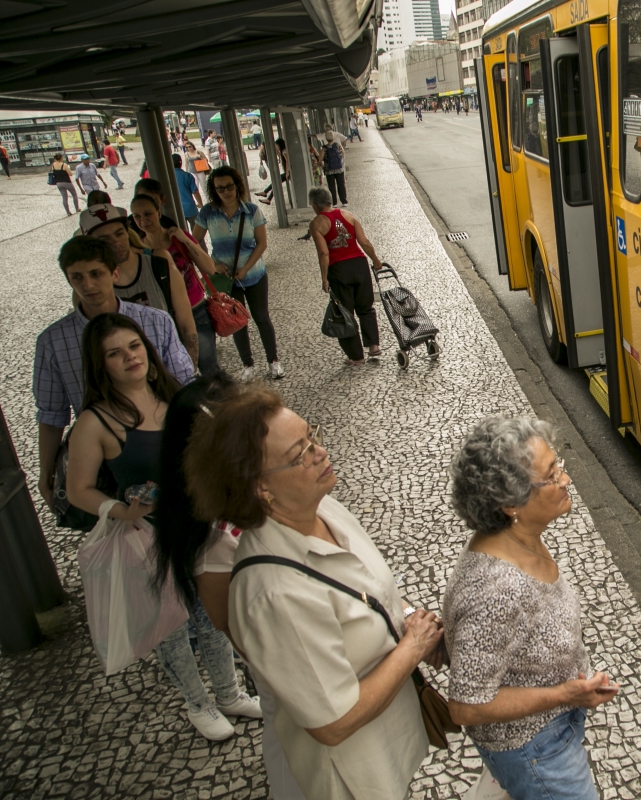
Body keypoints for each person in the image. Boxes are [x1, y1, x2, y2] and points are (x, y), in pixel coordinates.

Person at [184, 384, 443, 800]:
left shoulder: (320, 508)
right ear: (259, 488)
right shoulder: (274, 595)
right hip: (354, 774)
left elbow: (365, 588)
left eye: (312, 436)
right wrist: (412, 647)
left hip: (389, 739)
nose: (320, 452)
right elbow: (333, 722)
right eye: (299, 454)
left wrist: (410, 621)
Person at [65, 313, 259, 740]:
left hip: (198, 527)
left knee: (210, 614)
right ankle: (198, 704)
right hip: (147, 538)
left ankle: (229, 693)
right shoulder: (96, 422)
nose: (129, 357)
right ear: (100, 365)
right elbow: (78, 489)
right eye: (114, 353)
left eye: (134, 346)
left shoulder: (173, 397)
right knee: (170, 629)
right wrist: (121, 510)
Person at [443, 416, 617, 800]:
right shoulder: (495, 590)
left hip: (552, 733)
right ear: (510, 504)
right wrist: (566, 694)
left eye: (559, 466)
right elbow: (466, 706)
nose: (566, 480)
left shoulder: (519, 536)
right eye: (551, 476)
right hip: (537, 750)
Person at [154, 374, 305, 796]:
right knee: (294, 743)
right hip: (284, 661)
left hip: (307, 643)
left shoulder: (264, 487)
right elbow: (233, 629)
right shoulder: (213, 541)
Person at [34, 236, 194, 514]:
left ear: (114, 273)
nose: (88, 285)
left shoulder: (155, 320)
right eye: (77, 277)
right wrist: (46, 472)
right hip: (104, 460)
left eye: (96, 274)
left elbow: (185, 384)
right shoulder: (52, 342)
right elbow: (51, 414)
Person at [79, 204, 200, 367]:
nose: (116, 243)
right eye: (104, 240)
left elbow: (187, 327)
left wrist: (188, 371)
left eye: (119, 233)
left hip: (169, 371)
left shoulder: (159, 266)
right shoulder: (87, 287)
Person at [192, 166, 282, 381]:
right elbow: (194, 242)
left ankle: (274, 361)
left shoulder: (251, 211)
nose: (226, 192)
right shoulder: (208, 213)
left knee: (262, 317)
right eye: (220, 188)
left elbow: (261, 244)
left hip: (255, 275)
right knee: (236, 321)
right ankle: (247, 364)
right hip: (227, 280)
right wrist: (212, 265)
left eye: (229, 186)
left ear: (237, 186)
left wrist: (246, 268)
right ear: (214, 190)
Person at [131, 193, 220, 376]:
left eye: (147, 214)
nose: (143, 221)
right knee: (178, 373)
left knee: (209, 368)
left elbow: (210, 268)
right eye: (137, 216)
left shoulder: (179, 238)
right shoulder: (140, 250)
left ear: (158, 211)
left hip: (196, 310)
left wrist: (185, 240)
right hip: (165, 318)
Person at [308, 187, 382, 363]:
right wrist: (376, 260)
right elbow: (364, 242)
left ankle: (356, 356)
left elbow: (324, 254)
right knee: (366, 307)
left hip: (339, 270)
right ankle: (373, 346)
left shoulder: (316, 223)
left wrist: (324, 278)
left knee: (344, 313)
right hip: (360, 265)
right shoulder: (348, 215)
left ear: (315, 205)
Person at [256, 139, 288, 206]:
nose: (276, 147)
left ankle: (266, 194)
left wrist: (287, 172)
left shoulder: (284, 152)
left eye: (277, 146)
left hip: (289, 173)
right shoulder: (284, 151)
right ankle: (266, 195)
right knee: (277, 181)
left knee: (277, 181)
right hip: (288, 172)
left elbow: (288, 161)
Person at [321, 132, 348, 207]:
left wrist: (322, 163)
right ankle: (344, 201)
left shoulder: (324, 148)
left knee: (331, 186)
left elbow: (320, 158)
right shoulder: (338, 145)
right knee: (341, 185)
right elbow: (343, 154)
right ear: (333, 138)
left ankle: (334, 203)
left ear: (326, 138)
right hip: (339, 169)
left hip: (329, 170)